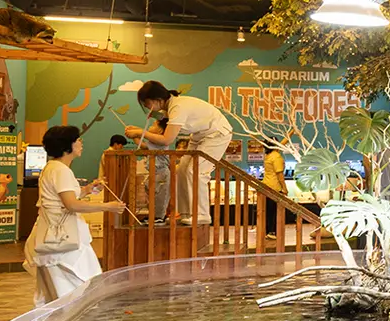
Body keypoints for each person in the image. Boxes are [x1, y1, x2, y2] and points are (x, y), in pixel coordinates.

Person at [23, 125, 116, 304]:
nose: (81, 143)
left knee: (61, 292)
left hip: (56, 237)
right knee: (75, 290)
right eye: (78, 140)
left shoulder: (52, 167)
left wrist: (88, 189)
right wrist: (107, 207)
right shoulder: (61, 170)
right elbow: (71, 204)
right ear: (68, 145)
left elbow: (65, 197)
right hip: (63, 240)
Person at [125, 80, 235, 229]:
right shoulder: (170, 108)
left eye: (147, 103)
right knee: (182, 169)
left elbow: (167, 139)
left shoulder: (177, 107)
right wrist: (139, 131)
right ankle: (186, 213)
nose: (146, 106)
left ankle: (202, 214)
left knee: (196, 171)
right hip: (199, 136)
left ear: (157, 100)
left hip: (217, 134)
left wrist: (140, 132)